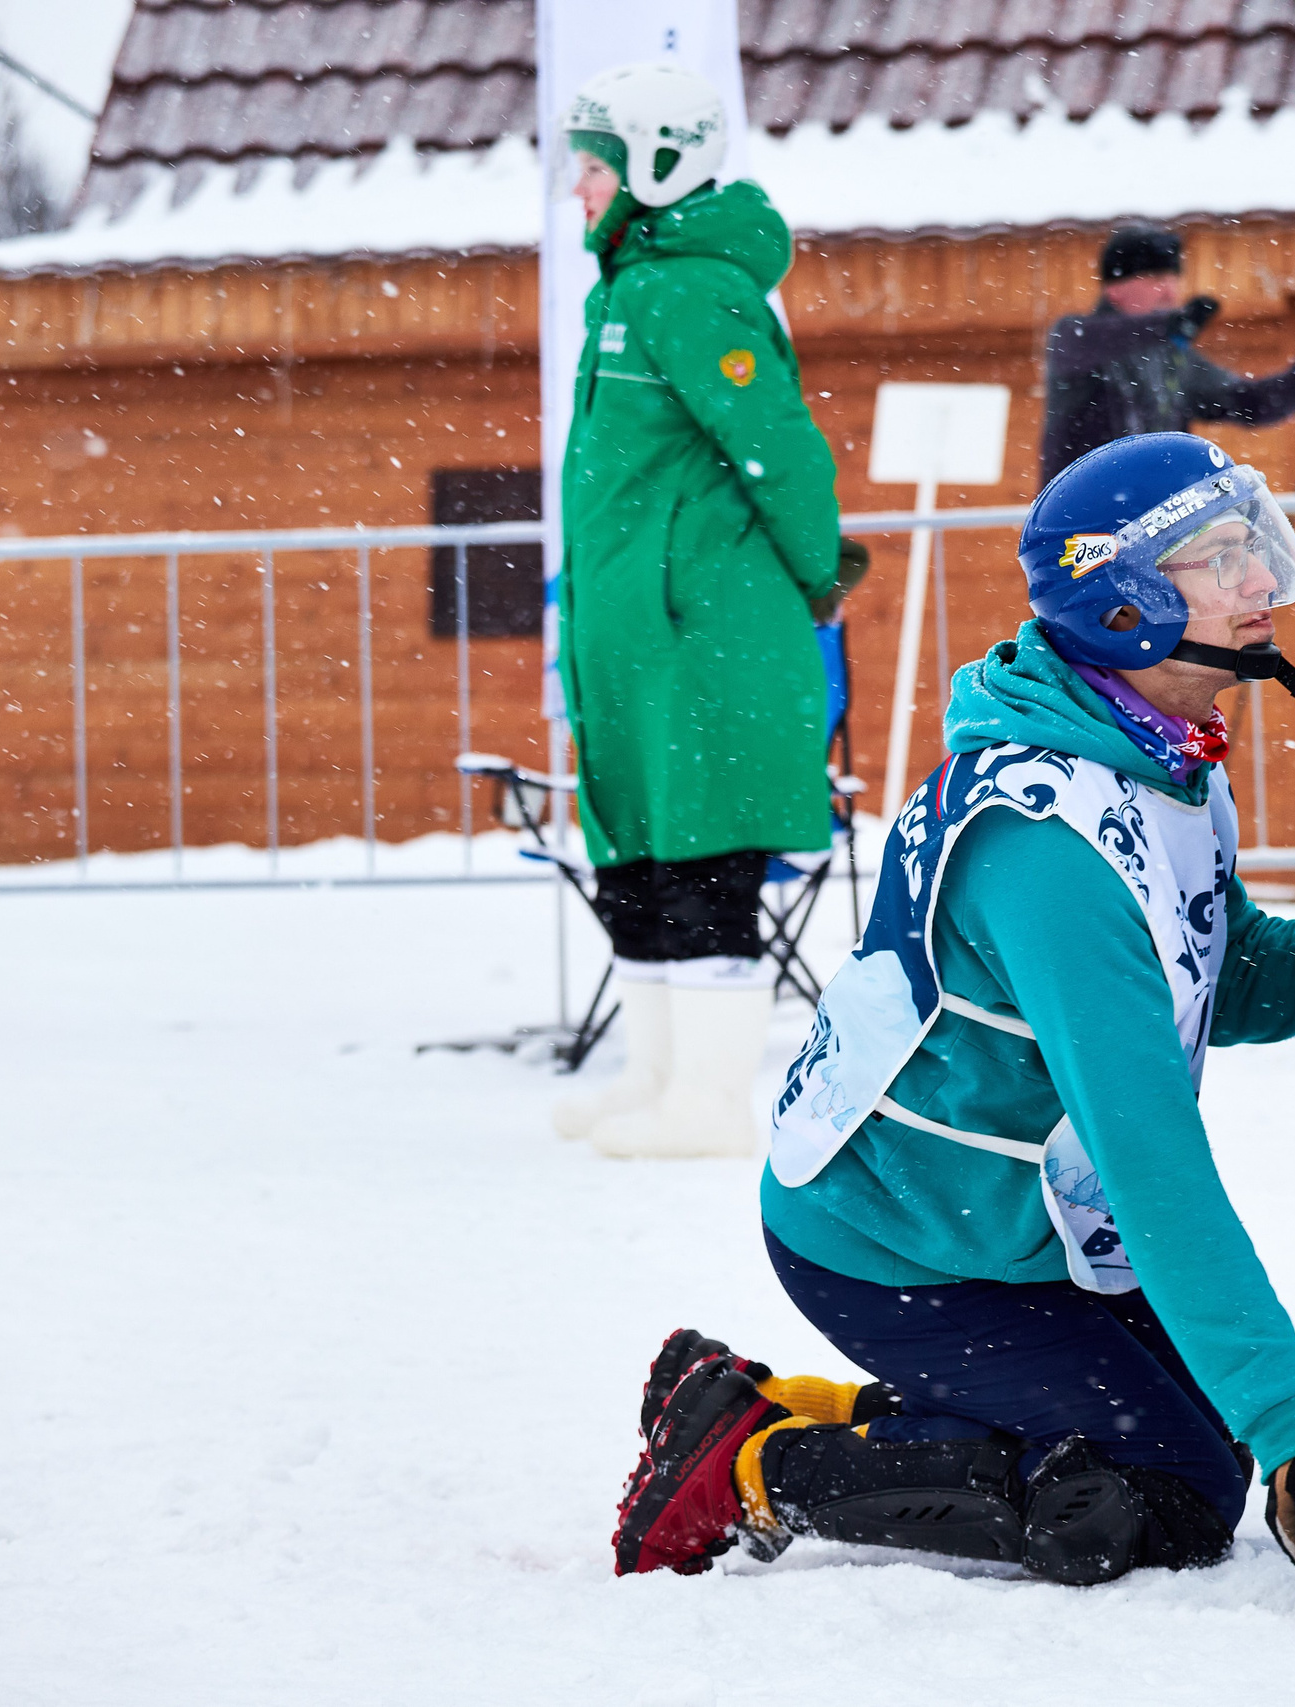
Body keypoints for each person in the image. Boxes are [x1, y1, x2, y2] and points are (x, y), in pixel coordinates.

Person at [605, 433, 1295, 1586]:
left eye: (1249, 548)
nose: (1262, 578)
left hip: (1012, 1230)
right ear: (1120, 599)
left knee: (1197, 1434)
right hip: (898, 1244)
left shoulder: (1155, 759)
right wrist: (1292, 1427)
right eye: (1219, 559)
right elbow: (1148, 1158)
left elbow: (1222, 980)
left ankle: (771, 1406)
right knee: (1165, 1495)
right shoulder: (1051, 848)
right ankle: (746, 1463)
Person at [548, 63, 854, 1161]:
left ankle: (713, 1104)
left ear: (654, 161)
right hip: (635, 638)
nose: (577, 187)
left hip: (705, 632)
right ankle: (658, 1079)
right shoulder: (627, 287)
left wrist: (817, 576)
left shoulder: (689, 289)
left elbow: (781, 451)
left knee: (704, 856)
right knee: (633, 854)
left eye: (592, 165)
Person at [1039, 225, 1295, 480]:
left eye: (1174, 279)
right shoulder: (1075, 335)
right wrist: (1170, 324)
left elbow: (1248, 402)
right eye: (1155, 279)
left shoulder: (1173, 358)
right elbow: (1107, 337)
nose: (1170, 291)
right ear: (1115, 287)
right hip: (1081, 518)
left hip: (1153, 517)